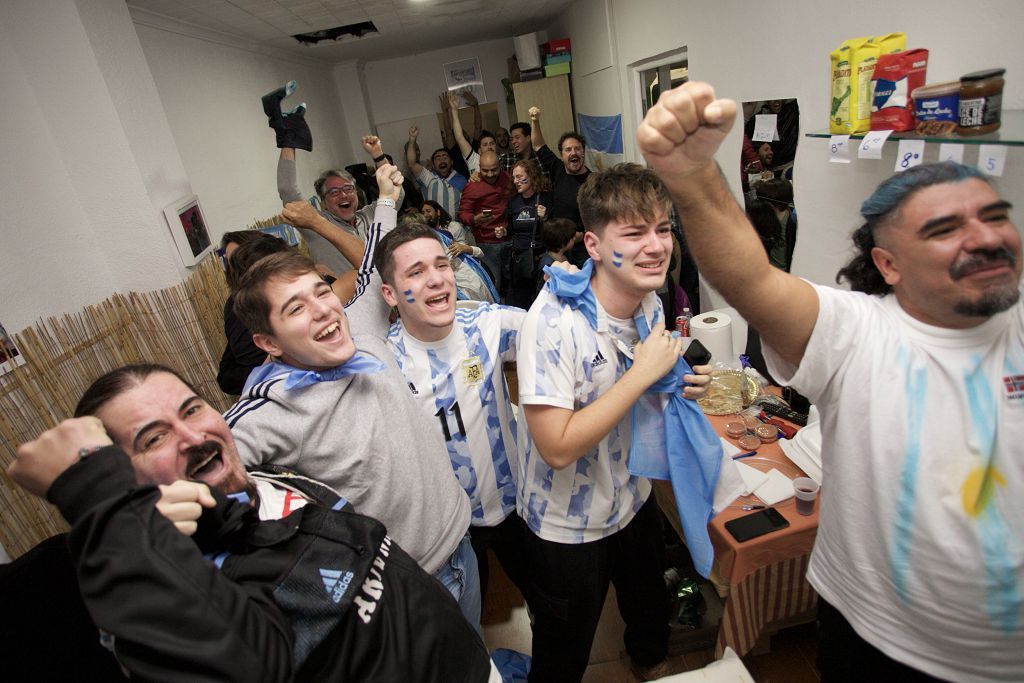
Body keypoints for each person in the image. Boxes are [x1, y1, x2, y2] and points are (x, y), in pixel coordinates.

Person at [638, 80, 1023, 683]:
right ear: (889, 264)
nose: (985, 236)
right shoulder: (861, 333)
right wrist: (693, 177)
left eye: (995, 216)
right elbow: (753, 280)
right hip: (883, 643)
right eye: (944, 229)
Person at [4, 364, 496, 682]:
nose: (192, 435)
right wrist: (102, 502)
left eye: (192, 409)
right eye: (153, 439)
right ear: (124, 479)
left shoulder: (274, 482)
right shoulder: (164, 600)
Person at [226, 164, 480, 628]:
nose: (324, 309)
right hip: (405, 596)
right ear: (268, 342)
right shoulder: (273, 410)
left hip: (462, 546)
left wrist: (385, 196)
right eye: (295, 308)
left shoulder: (360, 327)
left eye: (320, 291)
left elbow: (371, 263)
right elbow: (197, 468)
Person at [515, 163, 712, 682]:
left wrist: (675, 380)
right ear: (594, 245)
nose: (656, 246)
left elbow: (645, 382)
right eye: (634, 232)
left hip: (633, 496)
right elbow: (555, 446)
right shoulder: (552, 323)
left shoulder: (649, 299)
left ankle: (649, 663)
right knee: (563, 649)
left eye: (663, 229)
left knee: (649, 614)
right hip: (567, 526)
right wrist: (642, 374)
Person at [372, 223, 531, 603]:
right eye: (416, 272)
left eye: (441, 265)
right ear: (390, 294)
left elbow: (566, 335)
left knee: (552, 606)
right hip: (453, 531)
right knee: (467, 622)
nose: (436, 280)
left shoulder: (489, 324)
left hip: (520, 507)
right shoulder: (385, 365)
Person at [263, 82, 398, 276]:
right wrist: (288, 142)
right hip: (345, 303)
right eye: (334, 192)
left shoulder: (370, 215)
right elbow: (287, 190)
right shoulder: (316, 225)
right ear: (324, 202)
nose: (343, 194)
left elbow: (395, 193)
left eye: (348, 189)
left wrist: (377, 155)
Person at [529, 107, 592, 265]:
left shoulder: (593, 181)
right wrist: (535, 121)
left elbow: (599, 219)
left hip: (582, 248)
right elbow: (537, 145)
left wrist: (582, 235)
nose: (573, 153)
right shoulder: (557, 168)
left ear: (583, 152)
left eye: (577, 148)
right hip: (558, 247)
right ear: (562, 155)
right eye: (568, 150)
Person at [458, 150, 512, 296]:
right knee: (493, 285)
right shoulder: (473, 186)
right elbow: (462, 214)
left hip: (510, 239)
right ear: (479, 168)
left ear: (500, 166)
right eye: (485, 170)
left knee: (513, 284)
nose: (489, 174)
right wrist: (474, 219)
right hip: (487, 243)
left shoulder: (507, 178)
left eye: (493, 170)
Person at [506, 160, 552, 309]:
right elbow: (511, 229)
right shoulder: (513, 202)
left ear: (531, 176)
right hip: (518, 260)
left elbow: (554, 232)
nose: (516, 181)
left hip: (538, 259)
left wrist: (545, 218)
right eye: (514, 178)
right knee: (520, 303)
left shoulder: (544, 199)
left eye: (520, 177)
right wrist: (503, 232)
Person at [407, 126, 466, 216]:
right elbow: (412, 164)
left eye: (445, 157)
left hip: (457, 226)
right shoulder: (428, 178)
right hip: (433, 227)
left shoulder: (462, 180)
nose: (442, 160)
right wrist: (412, 139)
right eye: (438, 158)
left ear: (451, 162)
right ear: (433, 164)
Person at [535, 218, 578, 295]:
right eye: (572, 237)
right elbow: (542, 292)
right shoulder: (547, 266)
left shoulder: (566, 254)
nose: (575, 238)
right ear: (562, 243)